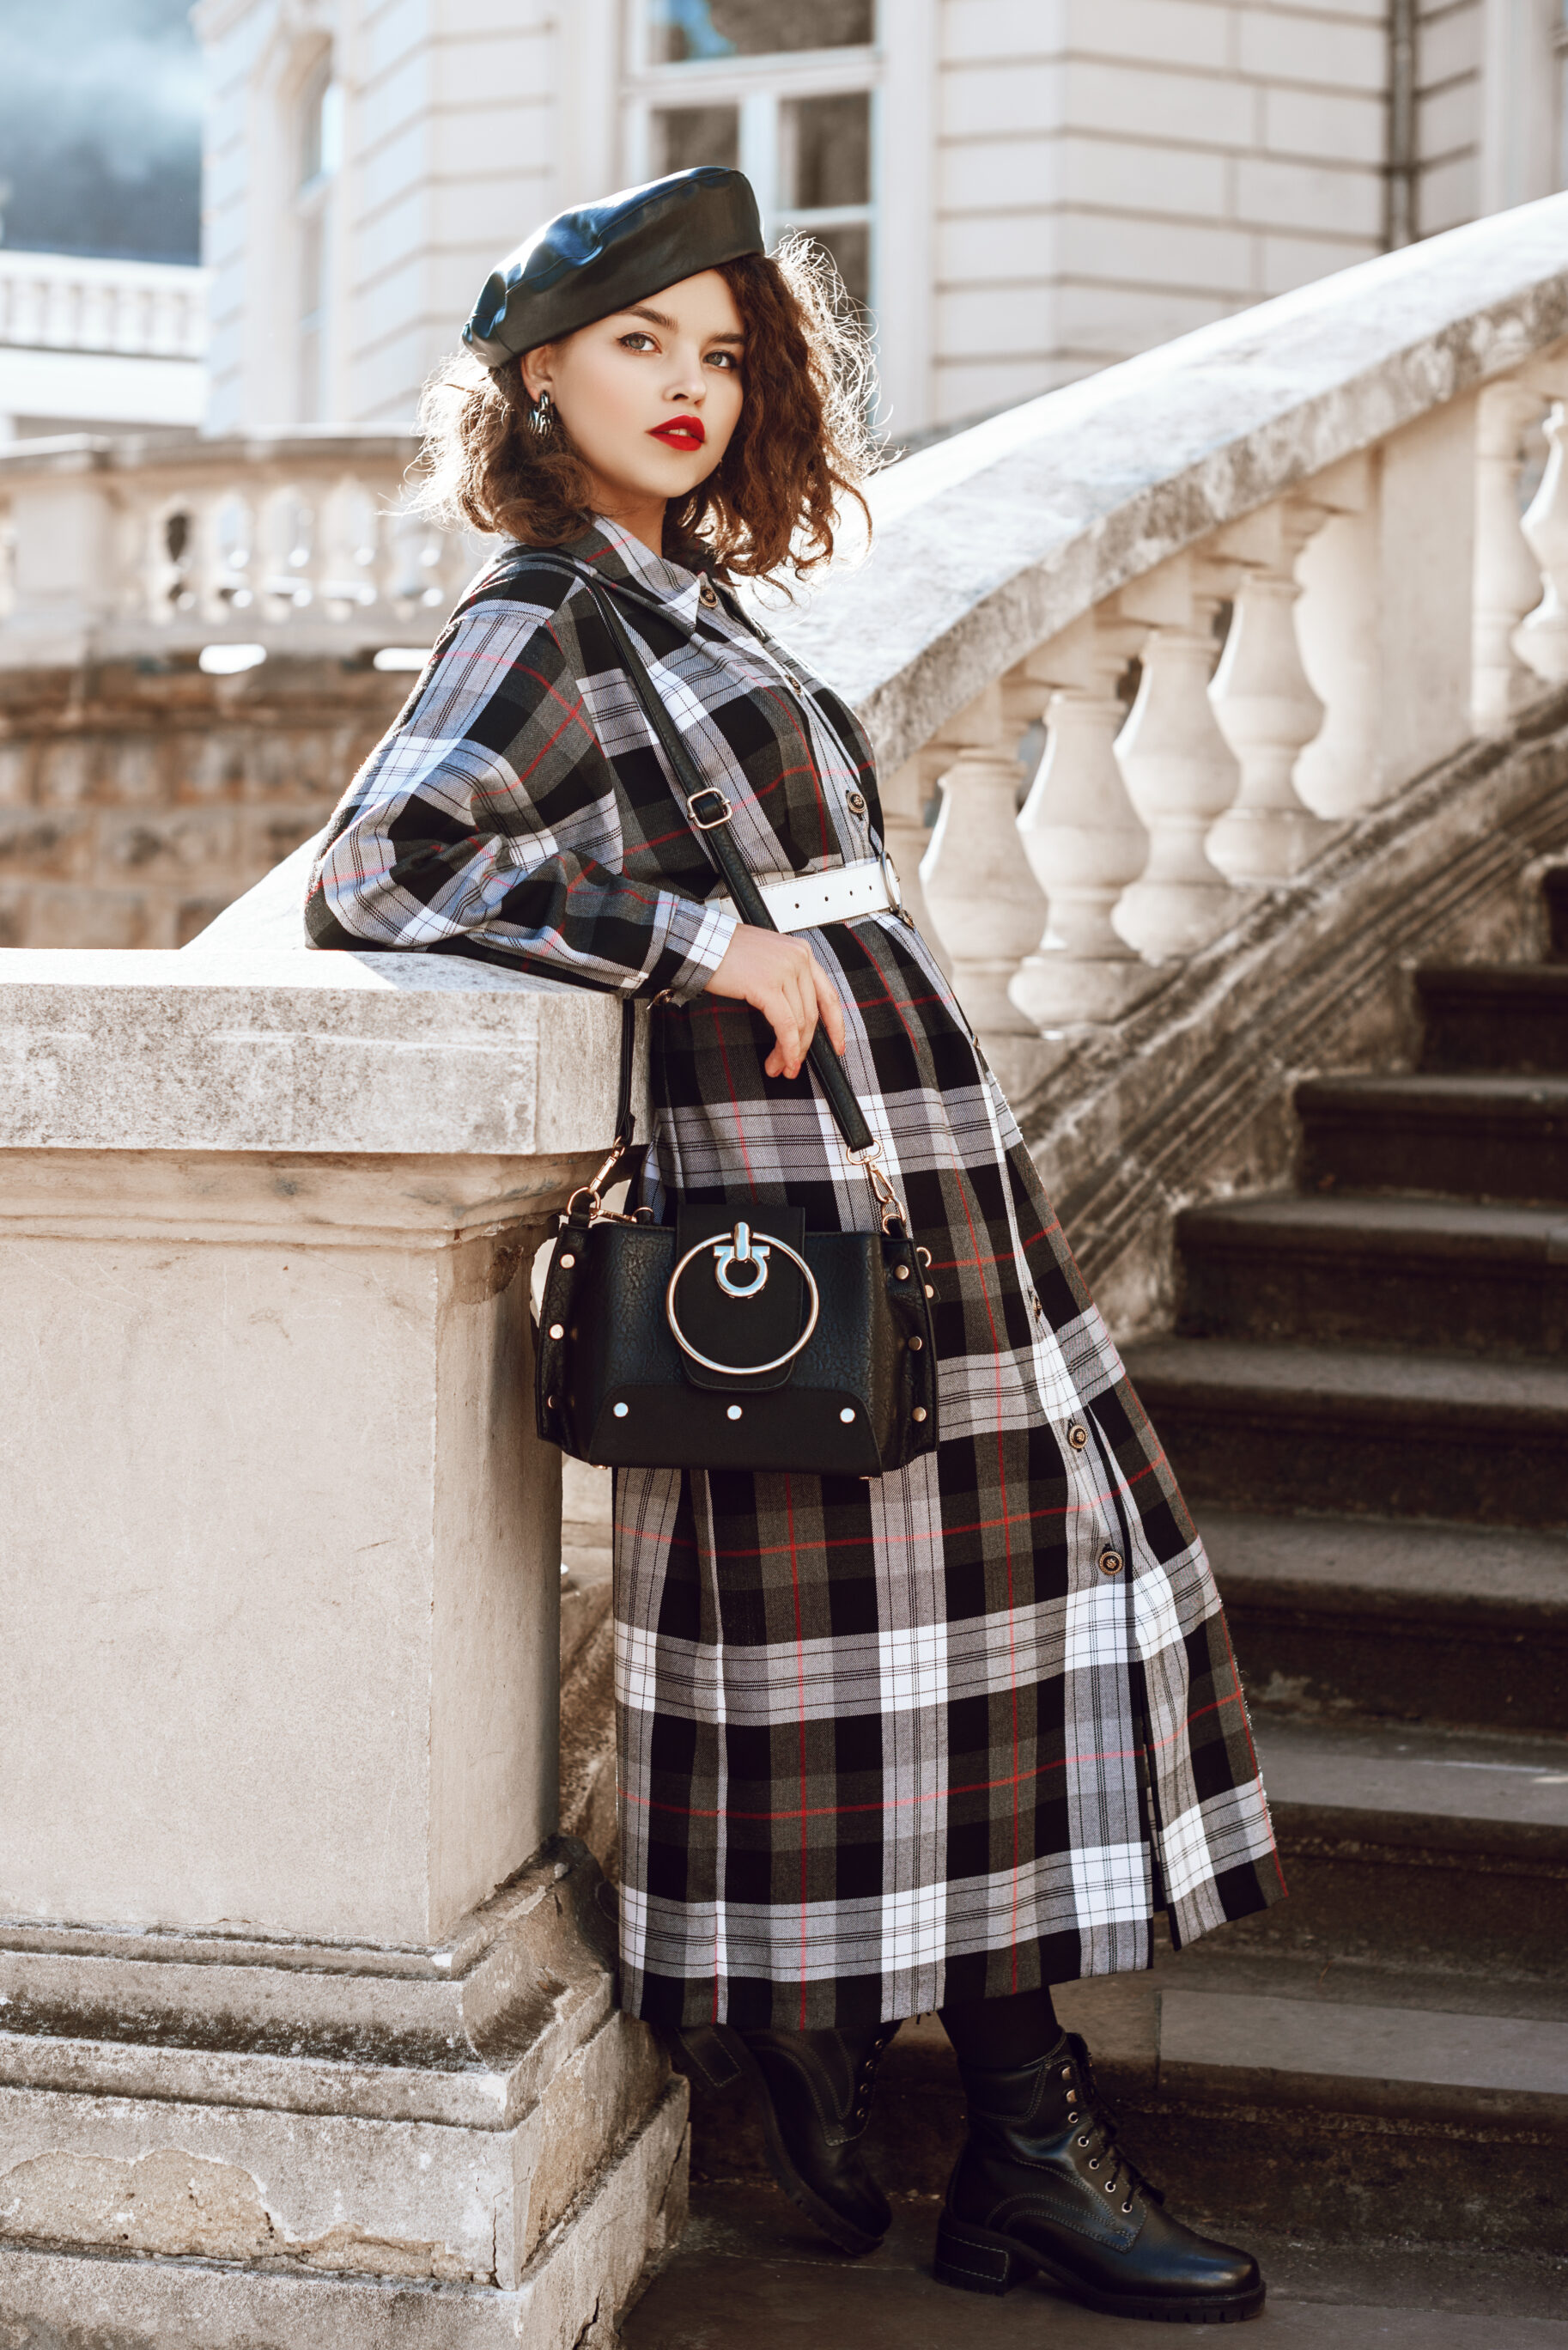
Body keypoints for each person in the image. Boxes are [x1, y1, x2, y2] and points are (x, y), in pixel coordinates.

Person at [305, 166, 1283, 2327]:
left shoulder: (687, 596)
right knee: (904, 1649)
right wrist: (697, 940)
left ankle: (862, 2059)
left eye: (721, 350)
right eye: (638, 342)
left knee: (976, 1638)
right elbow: (383, 873)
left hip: (899, 1164)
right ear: (536, 371)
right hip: (786, 1206)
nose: (687, 386)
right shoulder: (539, 609)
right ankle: (1009, 2141)